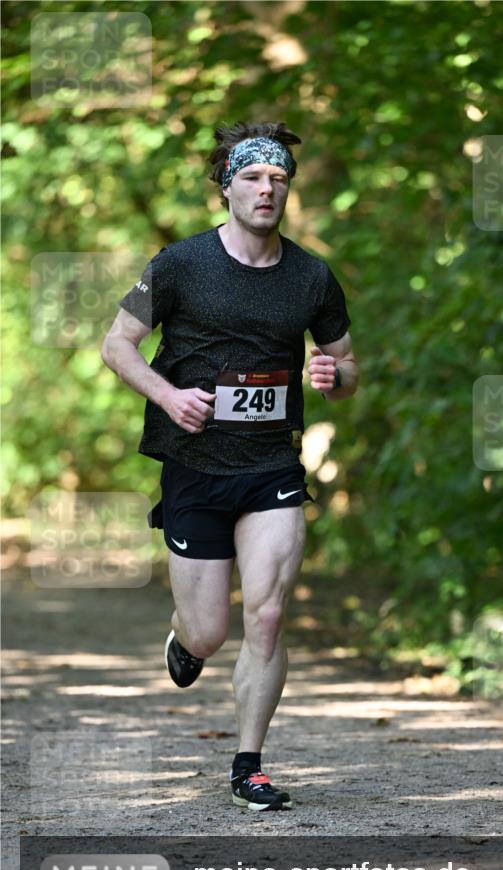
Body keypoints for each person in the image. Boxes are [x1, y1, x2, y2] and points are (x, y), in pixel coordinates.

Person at [101, 120, 358, 812]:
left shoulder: (311, 276)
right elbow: (117, 344)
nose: (266, 189)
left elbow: (346, 364)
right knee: (210, 630)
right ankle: (187, 640)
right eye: (251, 177)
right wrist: (168, 396)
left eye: (277, 178)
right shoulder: (179, 264)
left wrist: (334, 376)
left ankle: (249, 765)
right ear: (226, 188)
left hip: (271, 466)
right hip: (194, 466)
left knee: (267, 615)